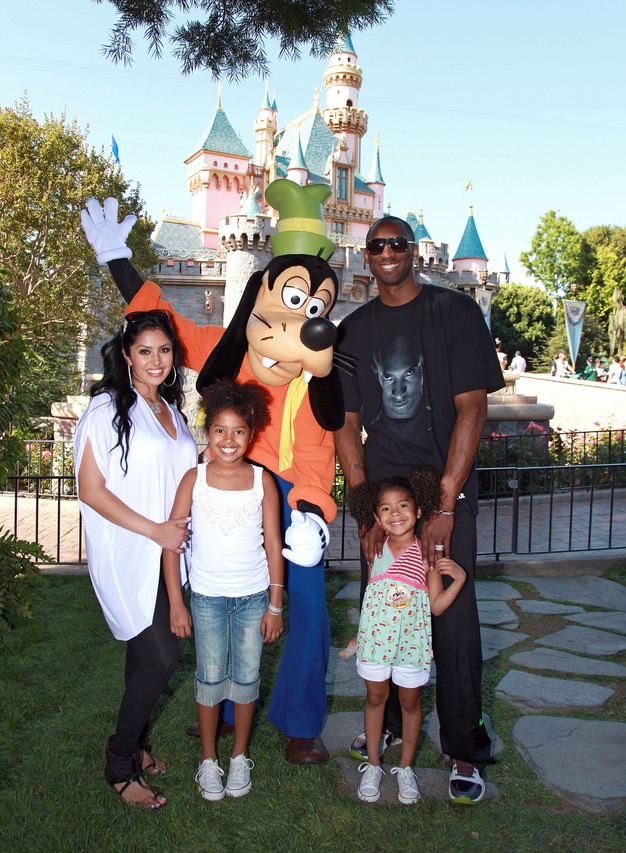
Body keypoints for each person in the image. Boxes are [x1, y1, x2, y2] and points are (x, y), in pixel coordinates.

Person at [81, 190, 342, 765]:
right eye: (292, 300)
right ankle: (224, 706)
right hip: (233, 481)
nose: (300, 322)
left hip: (293, 497)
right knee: (222, 590)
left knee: (305, 603)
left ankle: (300, 723)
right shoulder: (234, 350)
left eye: (314, 308)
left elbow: (324, 447)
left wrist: (317, 507)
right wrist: (116, 258)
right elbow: (163, 328)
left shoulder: (322, 382)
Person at [334, 215, 504, 804]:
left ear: (413, 252)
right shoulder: (351, 333)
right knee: (382, 618)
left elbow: (472, 408)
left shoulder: (453, 313)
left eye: (397, 244)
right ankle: (379, 736)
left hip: (440, 501)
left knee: (453, 627)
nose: (386, 252)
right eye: (375, 245)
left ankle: (464, 750)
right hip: (386, 508)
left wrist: (448, 503)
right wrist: (364, 514)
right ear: (365, 255)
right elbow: (346, 425)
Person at [74, 310, 197, 809]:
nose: (156, 360)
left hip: (171, 557)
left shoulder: (172, 411)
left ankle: (140, 747)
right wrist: (155, 531)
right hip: (129, 551)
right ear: (126, 356)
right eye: (144, 351)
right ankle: (119, 761)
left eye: (164, 351)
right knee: (162, 658)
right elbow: (90, 489)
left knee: (144, 657)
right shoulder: (105, 410)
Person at [162, 380, 284, 801]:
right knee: (210, 679)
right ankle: (208, 760)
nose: (228, 440)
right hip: (208, 600)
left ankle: (238, 757)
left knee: (247, 679)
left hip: (253, 600)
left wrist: (275, 604)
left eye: (238, 431)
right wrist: (177, 603)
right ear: (207, 431)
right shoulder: (192, 480)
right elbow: (172, 544)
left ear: (251, 435)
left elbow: (273, 545)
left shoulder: (261, 481)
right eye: (219, 430)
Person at [349, 469, 467, 805]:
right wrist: (360, 637)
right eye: (385, 508)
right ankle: (373, 765)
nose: (395, 513)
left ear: (418, 511)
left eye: (403, 505)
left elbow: (437, 606)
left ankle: (405, 768)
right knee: (375, 699)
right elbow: (372, 599)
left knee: (409, 703)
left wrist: (458, 579)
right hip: (375, 645)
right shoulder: (375, 551)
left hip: (411, 647)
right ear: (376, 517)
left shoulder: (427, 555)